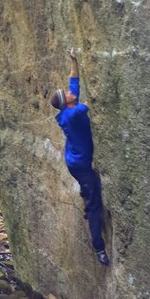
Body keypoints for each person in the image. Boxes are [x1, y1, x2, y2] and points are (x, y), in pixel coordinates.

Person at [51, 49, 110, 266]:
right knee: (95, 206)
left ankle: (85, 194)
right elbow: (95, 102)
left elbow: (74, 80)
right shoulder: (74, 113)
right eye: (65, 93)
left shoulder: (70, 105)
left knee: (87, 189)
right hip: (81, 166)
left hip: (74, 160)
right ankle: (99, 247)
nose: (69, 91)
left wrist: (74, 60)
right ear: (66, 102)